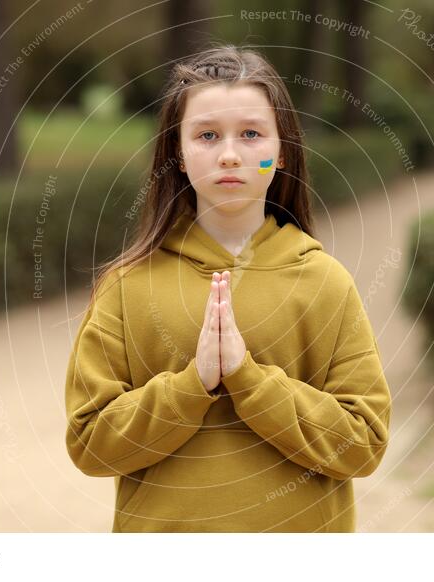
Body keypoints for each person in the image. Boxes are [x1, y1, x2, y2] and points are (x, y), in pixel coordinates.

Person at [64, 44, 392, 532]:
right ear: (177, 151)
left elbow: (363, 444)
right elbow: (89, 444)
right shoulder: (126, 287)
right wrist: (192, 385)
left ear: (282, 152)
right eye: (207, 135)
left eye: (252, 134)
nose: (231, 154)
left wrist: (249, 380)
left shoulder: (326, 283)